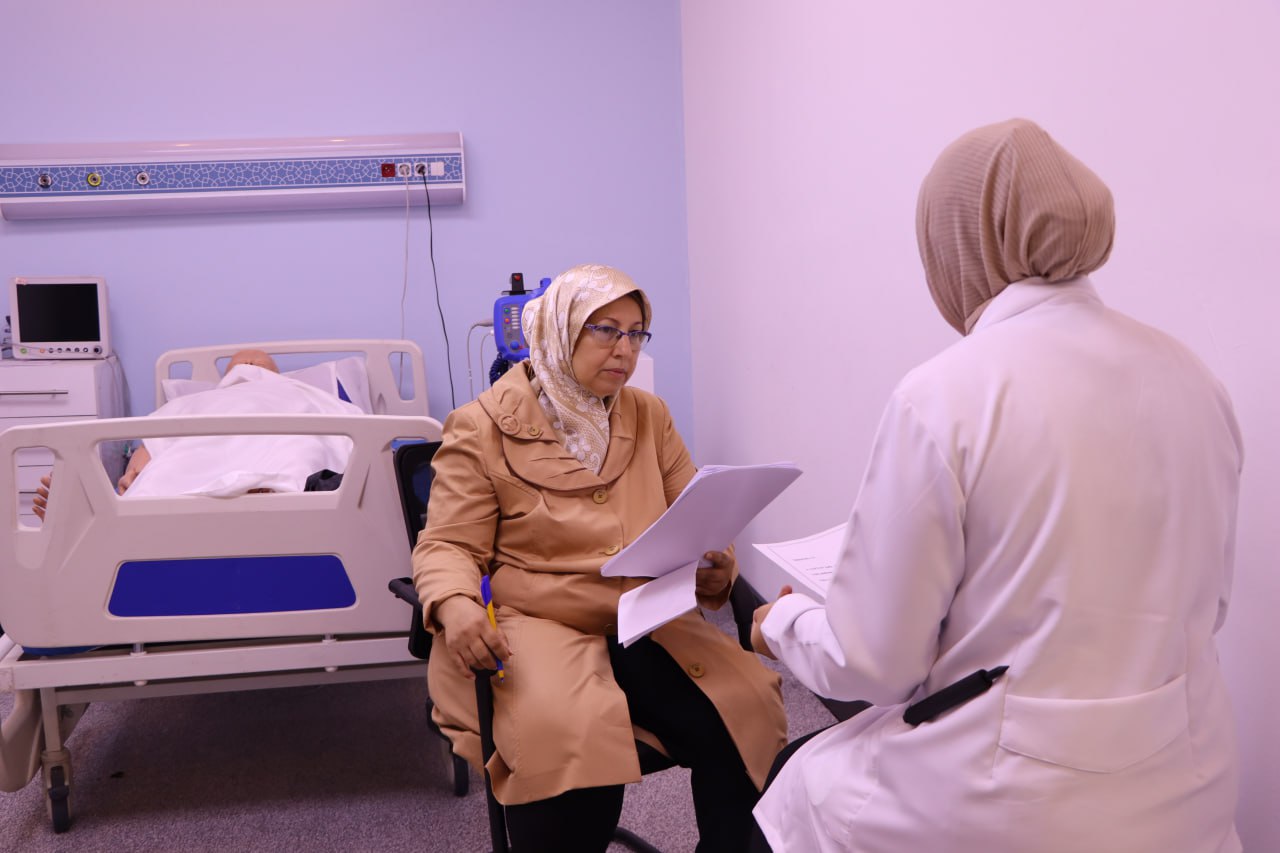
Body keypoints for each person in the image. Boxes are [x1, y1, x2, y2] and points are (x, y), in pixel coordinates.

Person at [749, 119, 1242, 852]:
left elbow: (874, 664)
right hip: (1184, 782)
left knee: (797, 788)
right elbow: (1212, 605)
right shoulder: (1192, 376)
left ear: (961, 247)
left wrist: (779, 623)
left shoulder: (943, 394)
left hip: (1012, 803)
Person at [412, 263, 787, 853]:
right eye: (605, 330)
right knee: (568, 740)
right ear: (560, 330)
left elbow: (695, 510)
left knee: (746, 706)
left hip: (644, 614)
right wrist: (455, 603)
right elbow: (448, 544)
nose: (624, 349)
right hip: (540, 619)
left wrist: (717, 563)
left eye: (636, 333)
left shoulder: (648, 414)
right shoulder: (481, 425)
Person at [32, 347, 350, 516]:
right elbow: (151, 445)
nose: (250, 366)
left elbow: (355, 440)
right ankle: (262, 497)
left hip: (287, 430)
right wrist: (132, 477)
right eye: (240, 364)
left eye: (260, 365)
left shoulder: (306, 395)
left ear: (279, 376)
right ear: (225, 379)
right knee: (174, 464)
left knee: (300, 450)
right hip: (207, 437)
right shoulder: (194, 402)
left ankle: (107, 520)